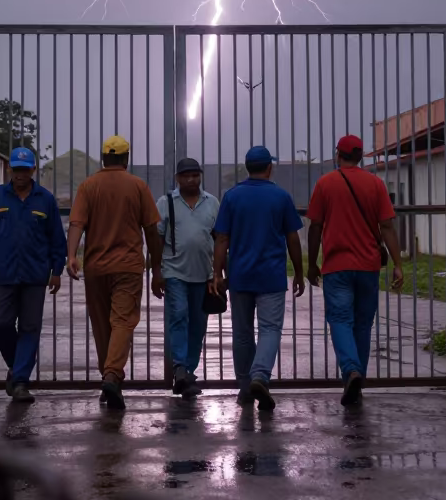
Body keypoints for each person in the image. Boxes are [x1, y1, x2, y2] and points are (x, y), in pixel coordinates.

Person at [306, 134, 404, 406]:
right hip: (368, 266)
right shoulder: (375, 184)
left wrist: (312, 263)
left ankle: (350, 370)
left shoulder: (325, 184)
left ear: (338, 154)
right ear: (360, 156)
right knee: (362, 324)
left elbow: (315, 227)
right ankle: (356, 378)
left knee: (339, 320)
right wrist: (397, 264)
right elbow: (387, 227)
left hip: (337, 267)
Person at [66, 135, 163, 411]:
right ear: (126, 158)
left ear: (103, 158)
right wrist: (156, 267)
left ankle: (109, 376)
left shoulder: (88, 186)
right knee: (122, 322)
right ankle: (112, 375)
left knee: (102, 325)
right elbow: (152, 231)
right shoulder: (138, 186)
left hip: (95, 268)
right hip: (128, 267)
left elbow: (76, 223)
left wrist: (72, 255)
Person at [212, 145, 304, 412]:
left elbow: (222, 238)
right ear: (269, 167)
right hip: (271, 276)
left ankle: (244, 387)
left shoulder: (232, 197)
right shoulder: (280, 197)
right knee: (270, 329)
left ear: (247, 167)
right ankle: (260, 376)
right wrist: (298, 272)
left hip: (240, 275)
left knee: (242, 333)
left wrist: (217, 273)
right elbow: (293, 238)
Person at [0, 146, 66, 403]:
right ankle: (17, 366)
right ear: (10, 169)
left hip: (35, 275)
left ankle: (21, 381)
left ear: (33, 170)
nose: (20, 174)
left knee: (29, 327)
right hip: (6, 273)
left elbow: (57, 238)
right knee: (0, 323)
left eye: (25, 169)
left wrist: (57, 270)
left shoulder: (45, 199)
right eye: (16, 169)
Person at [156, 158, 220, 398]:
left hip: (204, 275)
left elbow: (220, 239)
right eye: (186, 175)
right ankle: (180, 367)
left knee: (198, 324)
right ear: (178, 178)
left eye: (195, 175)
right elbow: (157, 240)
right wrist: (156, 272)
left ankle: (188, 373)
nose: (192, 179)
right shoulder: (166, 203)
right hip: (174, 272)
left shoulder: (212, 203)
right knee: (179, 315)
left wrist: (218, 273)